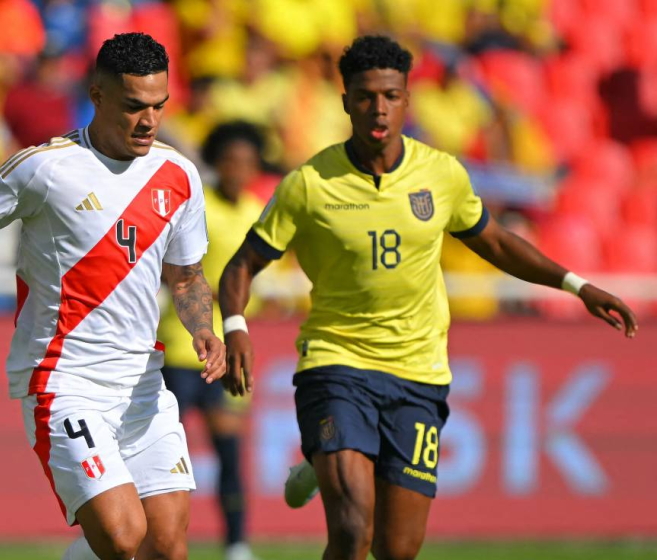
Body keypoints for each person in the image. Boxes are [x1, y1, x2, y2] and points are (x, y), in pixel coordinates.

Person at [218, 35, 638, 560]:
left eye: (391, 96)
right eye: (367, 96)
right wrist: (235, 327)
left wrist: (577, 286)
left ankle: (326, 456)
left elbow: (497, 242)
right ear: (345, 100)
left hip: (418, 375)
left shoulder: (440, 174)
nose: (379, 108)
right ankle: (335, 447)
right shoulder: (308, 184)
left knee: (398, 550)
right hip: (337, 362)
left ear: (407, 99)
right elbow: (243, 263)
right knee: (352, 533)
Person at [0, 33, 225, 560]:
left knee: (167, 546)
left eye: (159, 105)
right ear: (98, 95)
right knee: (122, 535)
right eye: (134, 107)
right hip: (65, 379)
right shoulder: (45, 168)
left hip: (141, 383)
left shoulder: (177, 174)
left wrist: (204, 325)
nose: (149, 121)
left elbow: (187, 275)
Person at [157, 122, 267, 560]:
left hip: (231, 350)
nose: (239, 169)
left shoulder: (259, 212)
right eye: (230, 161)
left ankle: (236, 545)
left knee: (229, 450)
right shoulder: (195, 208)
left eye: (247, 162)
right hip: (181, 345)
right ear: (216, 165)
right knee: (159, 452)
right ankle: (134, 533)